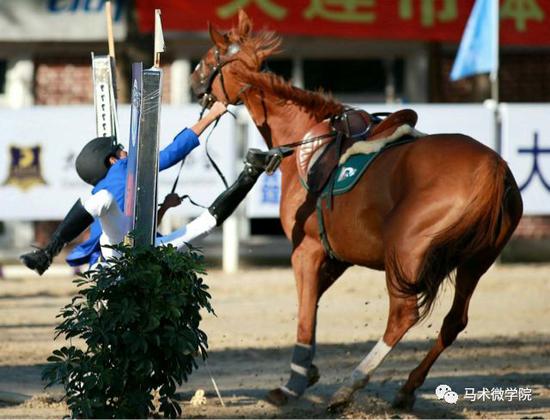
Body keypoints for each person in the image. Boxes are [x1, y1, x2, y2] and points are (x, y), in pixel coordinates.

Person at [20, 102, 283, 275]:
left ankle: (48, 251)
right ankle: (252, 172)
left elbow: (139, 230)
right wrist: (213, 114)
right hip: (118, 249)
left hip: (129, 250)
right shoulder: (122, 168)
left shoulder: (111, 180)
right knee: (204, 225)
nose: (126, 150)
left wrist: (165, 208)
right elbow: (171, 154)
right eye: (120, 148)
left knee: (200, 224)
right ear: (113, 159)